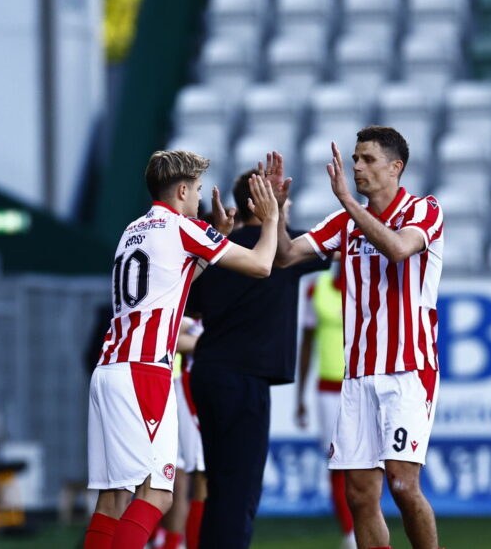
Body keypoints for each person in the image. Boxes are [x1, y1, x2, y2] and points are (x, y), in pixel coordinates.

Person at [83, 150, 279, 549]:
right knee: (158, 493)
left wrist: (214, 240)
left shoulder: (132, 230)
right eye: (198, 191)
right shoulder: (182, 227)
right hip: (144, 372)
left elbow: (172, 282)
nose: (199, 201)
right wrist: (272, 219)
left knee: (112, 499)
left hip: (109, 369)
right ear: (183, 190)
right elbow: (261, 264)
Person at [269, 126, 446, 549]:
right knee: (360, 496)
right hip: (358, 376)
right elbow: (285, 256)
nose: (357, 167)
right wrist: (276, 214)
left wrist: (349, 202)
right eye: (354, 159)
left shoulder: (424, 210)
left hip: (408, 369)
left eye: (367, 159)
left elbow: (399, 249)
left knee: (403, 485)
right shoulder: (344, 223)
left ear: (395, 166)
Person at [184, 170, 329, 549]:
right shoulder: (282, 249)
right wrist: (276, 216)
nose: (289, 209)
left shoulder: (217, 247)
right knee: (240, 490)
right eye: (284, 203)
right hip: (244, 381)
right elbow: (318, 251)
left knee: (216, 484)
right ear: (262, 203)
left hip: (207, 374)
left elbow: (194, 306)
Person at [297, 266, 356, 549]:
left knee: (364, 461)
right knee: (336, 462)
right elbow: (307, 343)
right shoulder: (315, 289)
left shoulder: (365, 285)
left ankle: (362, 522)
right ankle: (349, 531)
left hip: (360, 384)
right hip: (328, 389)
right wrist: (300, 397)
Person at [154, 317, 205, 549]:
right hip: (166, 393)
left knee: (178, 477)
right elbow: (168, 339)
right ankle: (164, 539)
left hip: (174, 391)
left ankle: (169, 540)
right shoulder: (177, 300)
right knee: (168, 479)